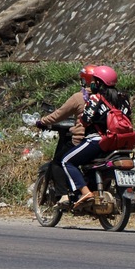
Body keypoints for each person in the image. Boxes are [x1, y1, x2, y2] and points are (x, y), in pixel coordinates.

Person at [58, 64, 132, 210]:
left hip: (98, 140)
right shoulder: (124, 98)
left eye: (93, 80)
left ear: (98, 82)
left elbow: (85, 120)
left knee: (66, 161)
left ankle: (85, 193)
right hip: (120, 142)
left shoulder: (95, 98)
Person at [34, 66, 93, 203]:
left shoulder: (79, 97)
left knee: (58, 162)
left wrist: (41, 122)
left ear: (85, 81)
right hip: (103, 141)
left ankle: (63, 195)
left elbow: (58, 115)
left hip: (82, 140)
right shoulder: (105, 98)